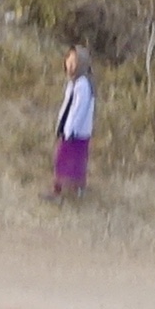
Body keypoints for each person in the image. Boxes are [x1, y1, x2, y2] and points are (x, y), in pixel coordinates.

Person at [51, 44, 96, 200]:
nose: (69, 64)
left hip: (76, 133)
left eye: (73, 62)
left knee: (64, 160)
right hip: (71, 130)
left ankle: (59, 192)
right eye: (68, 60)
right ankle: (76, 190)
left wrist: (71, 130)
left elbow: (79, 110)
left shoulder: (83, 84)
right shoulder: (74, 82)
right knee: (74, 162)